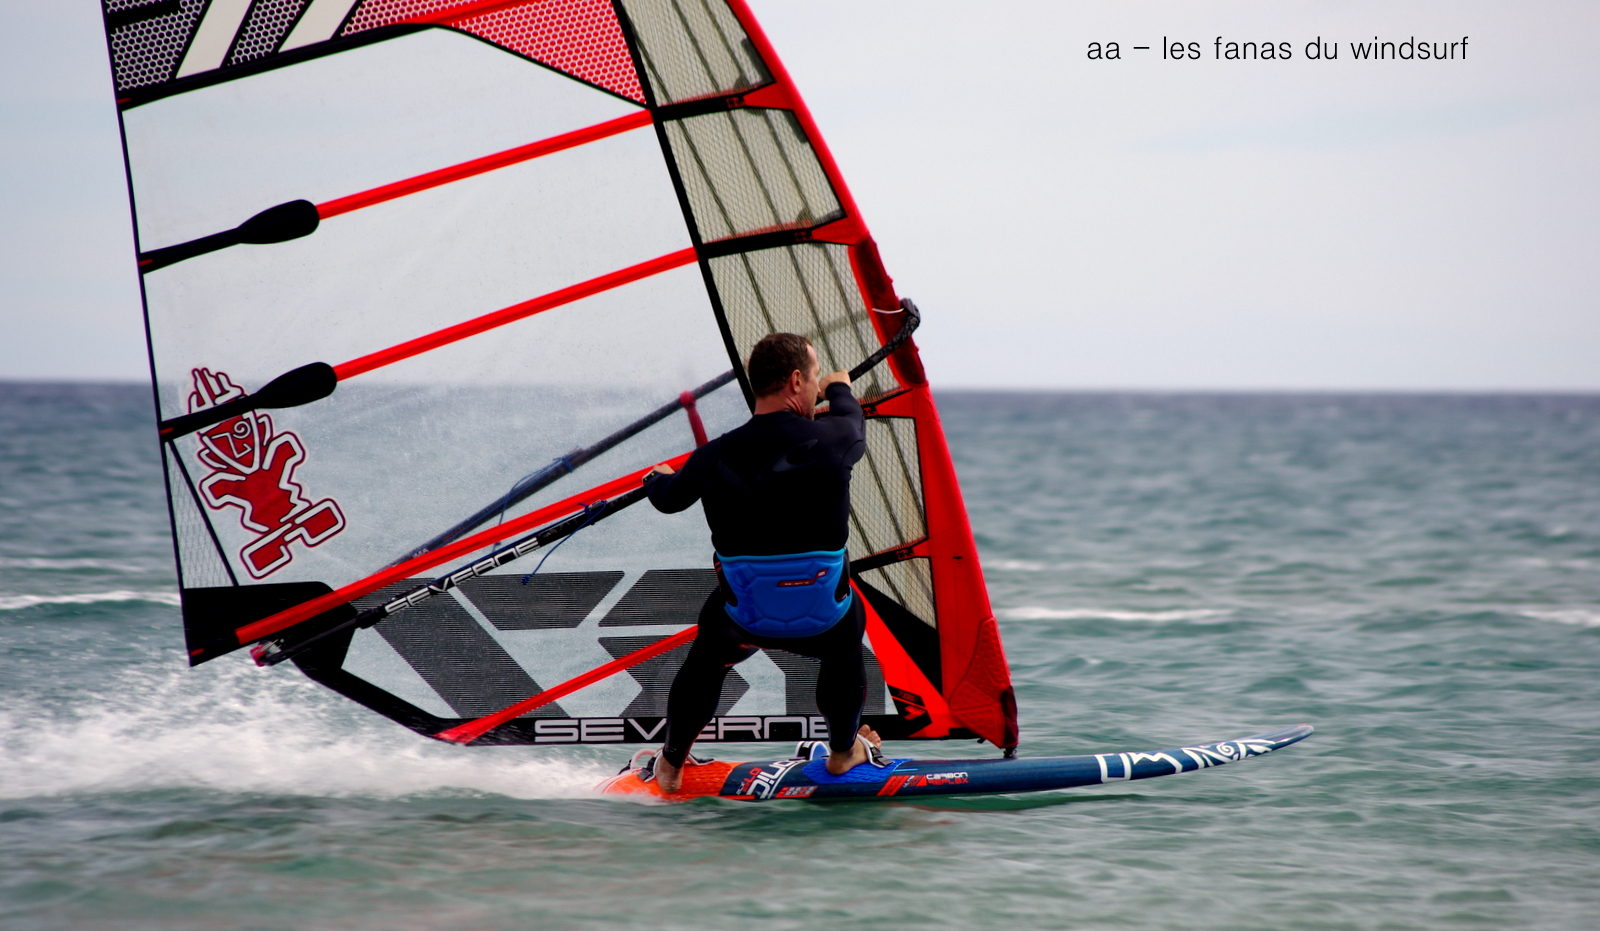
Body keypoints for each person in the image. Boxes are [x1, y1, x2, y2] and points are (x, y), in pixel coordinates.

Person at [642, 333, 881, 793]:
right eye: (813, 376)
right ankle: (842, 751)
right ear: (797, 380)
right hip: (824, 621)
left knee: (706, 657)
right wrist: (837, 385)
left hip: (743, 621)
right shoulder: (835, 438)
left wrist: (658, 477)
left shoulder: (713, 456)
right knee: (848, 635)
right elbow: (851, 415)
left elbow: (668, 499)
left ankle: (670, 764)